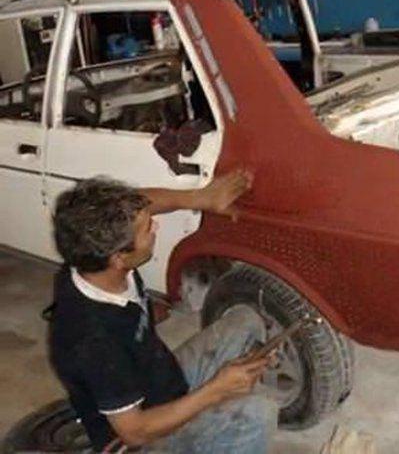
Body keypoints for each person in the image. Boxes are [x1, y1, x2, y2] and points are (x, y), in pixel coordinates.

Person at [47, 170, 278, 453]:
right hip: (143, 435)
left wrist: (201, 198)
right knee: (258, 414)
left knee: (245, 319)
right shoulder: (93, 342)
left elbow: (141, 202)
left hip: (161, 378)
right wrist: (216, 390)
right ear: (119, 257)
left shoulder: (89, 257)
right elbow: (134, 432)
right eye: (148, 229)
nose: (155, 226)